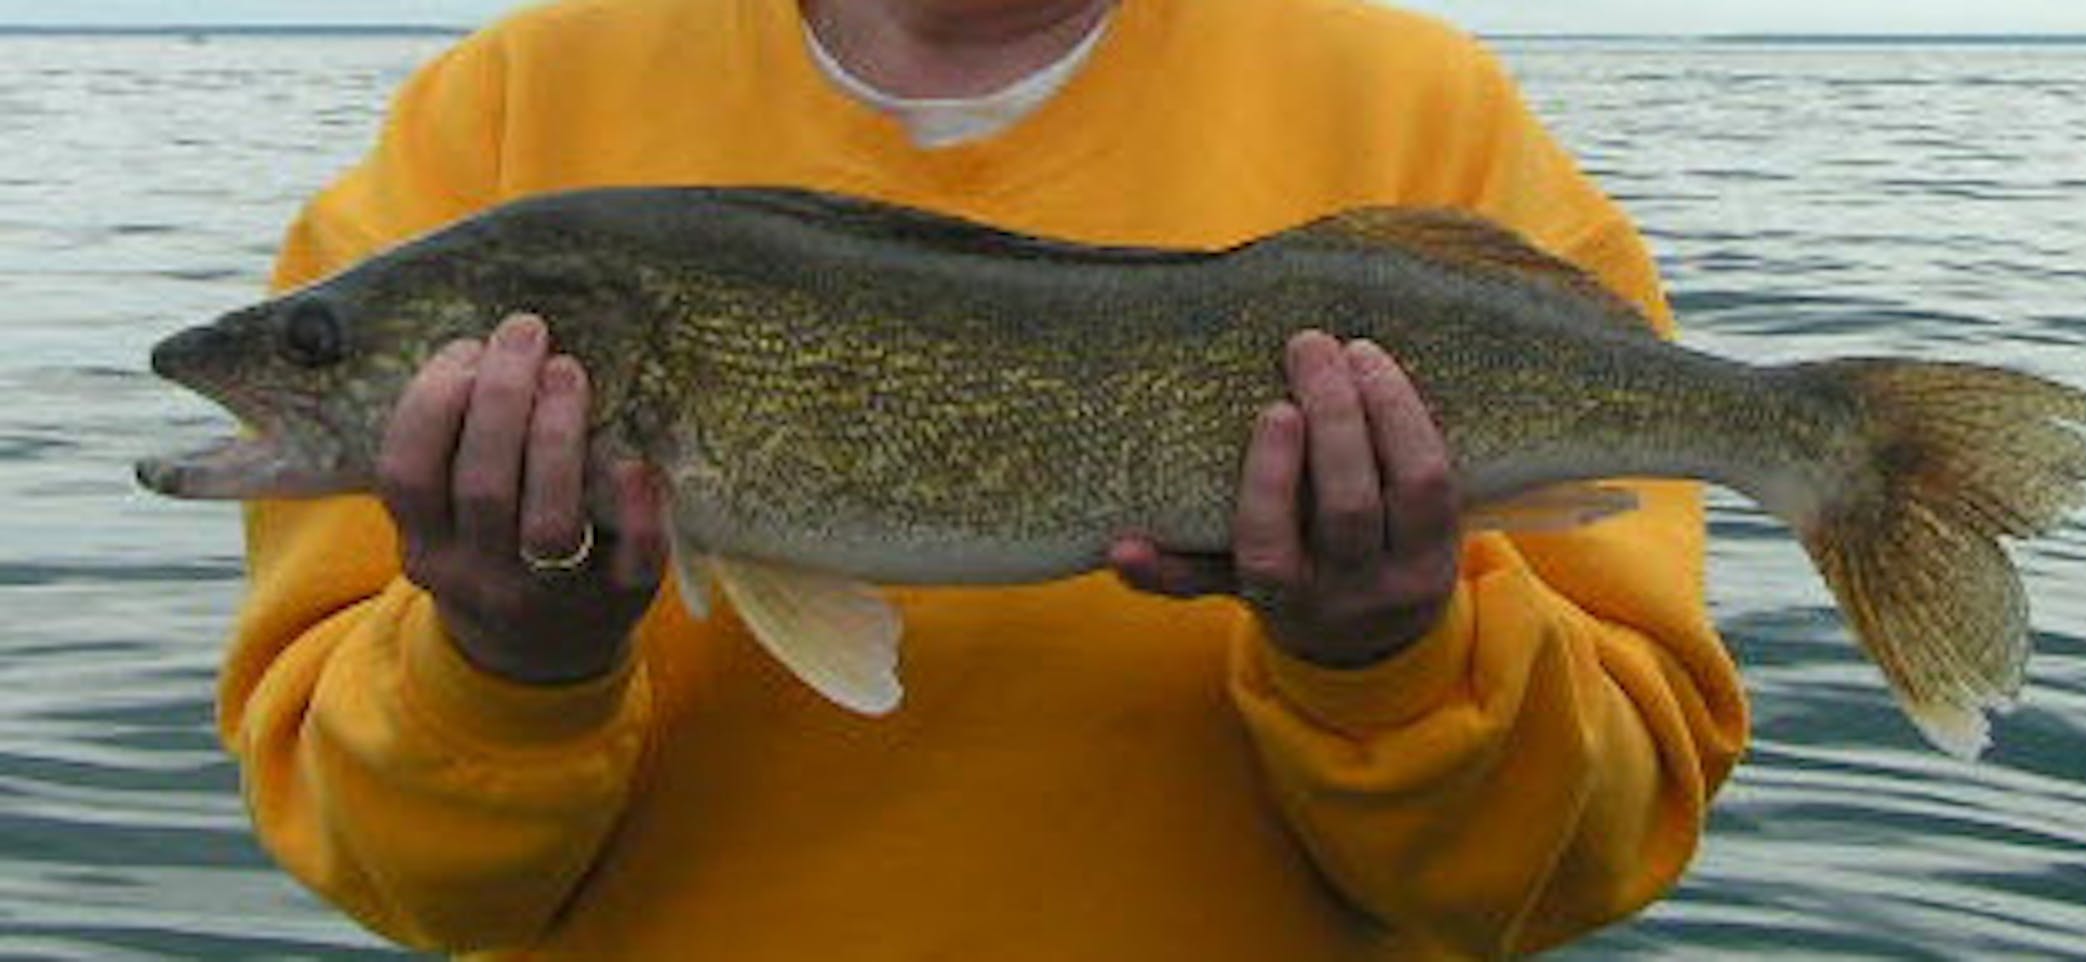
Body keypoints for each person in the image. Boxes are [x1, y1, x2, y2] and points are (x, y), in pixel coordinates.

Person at [219, 0, 1750, 957]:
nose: (297, 362)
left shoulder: (1426, 113)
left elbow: (1575, 867)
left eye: (314, 348)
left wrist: (1388, 653)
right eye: (317, 344)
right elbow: (402, 880)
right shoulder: (495, 118)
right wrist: (509, 659)